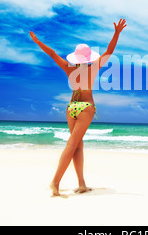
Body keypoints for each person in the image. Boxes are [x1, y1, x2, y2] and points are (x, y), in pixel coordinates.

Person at [29, 18, 127, 196]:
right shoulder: (93, 68)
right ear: (89, 58)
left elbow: (52, 54)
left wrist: (37, 42)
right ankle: (55, 182)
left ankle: (81, 184)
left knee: (77, 145)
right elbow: (109, 51)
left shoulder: (69, 68)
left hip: (71, 107)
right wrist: (117, 33)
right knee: (73, 144)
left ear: (76, 58)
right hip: (86, 107)